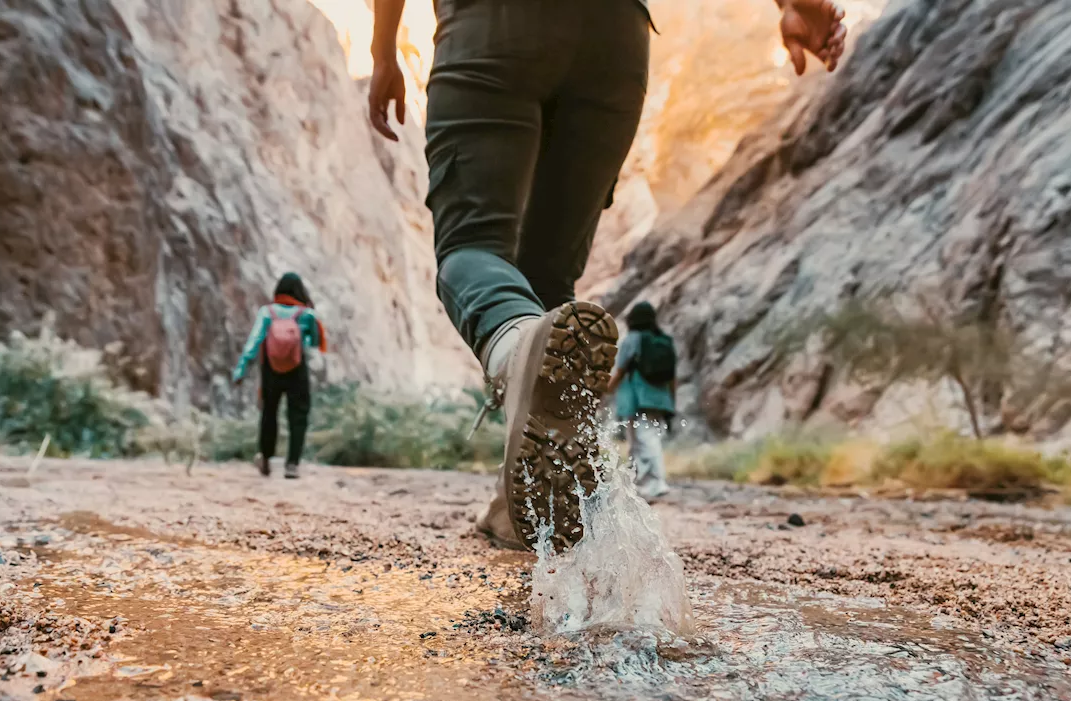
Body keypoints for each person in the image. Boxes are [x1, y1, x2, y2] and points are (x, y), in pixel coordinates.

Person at [368, 0, 846, 551]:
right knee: (546, 291)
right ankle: (523, 504)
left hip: (492, 30)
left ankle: (514, 354)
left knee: (470, 250)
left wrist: (384, 53)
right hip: (615, 41)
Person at [232, 273, 327, 479]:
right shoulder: (306, 314)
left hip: (271, 369)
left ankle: (265, 459)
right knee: (298, 416)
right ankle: (292, 464)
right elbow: (314, 342)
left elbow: (254, 341)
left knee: (269, 414)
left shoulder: (267, 312)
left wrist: (241, 369)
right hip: (296, 369)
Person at [607, 301, 676, 501]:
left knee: (644, 441)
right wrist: (671, 401)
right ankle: (642, 484)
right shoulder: (664, 341)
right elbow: (672, 377)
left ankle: (656, 484)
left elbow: (619, 372)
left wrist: (602, 392)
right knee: (647, 440)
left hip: (637, 400)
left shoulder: (632, 340)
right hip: (660, 399)